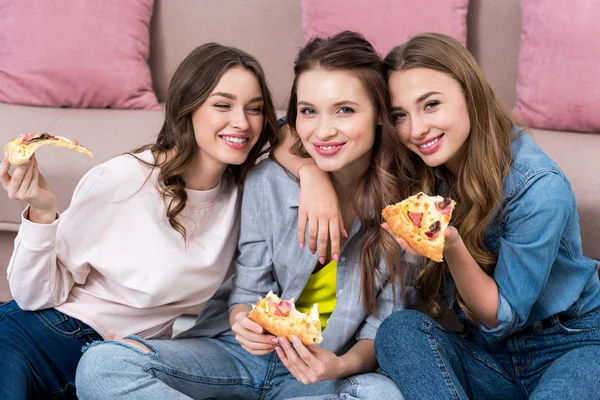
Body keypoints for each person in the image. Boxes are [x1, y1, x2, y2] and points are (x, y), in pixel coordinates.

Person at [74, 31, 414, 400]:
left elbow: (381, 328)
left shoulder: (409, 211)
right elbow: (247, 292)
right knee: (103, 365)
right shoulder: (268, 181)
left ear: (380, 115)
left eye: (344, 110)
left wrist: (338, 367)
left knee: (382, 395)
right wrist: (242, 322)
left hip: (320, 373)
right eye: (309, 111)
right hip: (235, 357)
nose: (323, 130)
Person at [0, 43, 280, 400]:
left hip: (122, 363)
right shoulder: (126, 179)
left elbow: (297, 132)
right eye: (222, 105)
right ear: (187, 108)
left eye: (254, 109)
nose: (241, 122)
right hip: (43, 338)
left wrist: (312, 177)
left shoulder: (246, 195)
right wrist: (41, 212)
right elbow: (34, 296)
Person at [373, 33, 600, 399]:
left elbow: (500, 317)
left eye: (430, 105)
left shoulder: (537, 186)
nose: (415, 130)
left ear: (470, 93)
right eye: (400, 115)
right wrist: (312, 176)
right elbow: (307, 120)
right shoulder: (422, 168)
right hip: (489, 359)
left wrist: (449, 244)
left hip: (572, 348)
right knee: (398, 332)